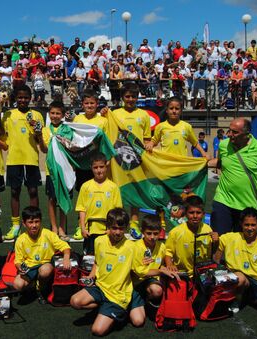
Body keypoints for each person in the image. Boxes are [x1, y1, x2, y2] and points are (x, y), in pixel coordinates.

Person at [69, 208, 135, 336]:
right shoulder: (99, 241)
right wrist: (91, 276)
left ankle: (119, 312)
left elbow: (141, 269)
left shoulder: (132, 247)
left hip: (117, 296)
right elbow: (97, 263)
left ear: (126, 228)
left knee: (97, 331)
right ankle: (103, 309)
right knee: (74, 301)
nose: (117, 232)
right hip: (100, 287)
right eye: (114, 228)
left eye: (121, 229)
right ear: (108, 227)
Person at [213, 208, 257, 317]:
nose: (250, 228)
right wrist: (215, 242)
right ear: (241, 224)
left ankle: (251, 294)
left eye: (253, 225)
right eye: (246, 225)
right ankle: (236, 301)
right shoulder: (230, 237)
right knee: (240, 278)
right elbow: (217, 253)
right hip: (239, 276)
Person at [102, 84, 151, 235]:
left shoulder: (143, 115)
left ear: (138, 97)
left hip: (136, 158)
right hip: (118, 157)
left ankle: (134, 223)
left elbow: (147, 138)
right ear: (122, 98)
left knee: (135, 189)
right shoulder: (115, 113)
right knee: (119, 190)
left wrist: (149, 145)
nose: (130, 99)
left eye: (133, 97)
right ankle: (118, 223)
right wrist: (104, 114)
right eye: (127, 96)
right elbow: (106, 128)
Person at [1, 85, 45, 240]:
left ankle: (34, 223)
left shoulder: (37, 115)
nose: (23, 100)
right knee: (14, 192)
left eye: (26, 97)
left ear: (30, 98)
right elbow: (1, 133)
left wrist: (37, 130)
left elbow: (40, 139)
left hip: (31, 159)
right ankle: (15, 225)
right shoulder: (8, 114)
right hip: (14, 159)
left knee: (33, 191)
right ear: (15, 98)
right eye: (20, 97)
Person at [129, 214, 180, 327]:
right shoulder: (135, 247)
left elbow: (162, 263)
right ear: (142, 231)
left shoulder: (161, 246)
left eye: (156, 233)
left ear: (160, 232)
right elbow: (140, 272)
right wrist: (161, 271)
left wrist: (169, 266)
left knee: (157, 290)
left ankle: (148, 300)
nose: (152, 237)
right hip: (135, 285)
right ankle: (138, 302)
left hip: (151, 283)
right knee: (138, 322)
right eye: (149, 233)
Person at [13, 206, 71, 300]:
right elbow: (18, 261)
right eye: (30, 222)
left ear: (40, 221)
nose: (34, 225)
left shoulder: (48, 234)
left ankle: (41, 288)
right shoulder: (20, 240)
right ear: (24, 224)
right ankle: (33, 284)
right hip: (29, 268)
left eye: (37, 221)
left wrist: (66, 258)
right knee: (17, 285)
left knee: (45, 271)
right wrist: (20, 268)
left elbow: (65, 247)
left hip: (45, 265)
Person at [74, 153, 122, 254]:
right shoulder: (86, 186)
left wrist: (111, 229)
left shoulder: (113, 187)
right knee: (90, 261)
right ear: (91, 168)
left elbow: (117, 212)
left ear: (106, 166)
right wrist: (83, 227)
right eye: (95, 167)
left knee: (106, 258)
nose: (99, 170)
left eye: (101, 167)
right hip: (90, 231)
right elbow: (82, 209)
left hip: (107, 231)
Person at [165, 196, 218, 278]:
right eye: (191, 212)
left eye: (198, 212)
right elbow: (168, 252)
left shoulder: (208, 229)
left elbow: (212, 251)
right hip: (182, 272)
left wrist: (216, 242)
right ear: (185, 214)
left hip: (202, 271)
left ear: (203, 214)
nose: (195, 216)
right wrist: (170, 264)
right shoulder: (176, 232)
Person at [40, 101, 69, 240]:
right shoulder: (46, 130)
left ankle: (62, 227)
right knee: (52, 199)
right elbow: (44, 149)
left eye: (58, 113)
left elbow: (71, 147)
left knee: (63, 198)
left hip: (65, 170)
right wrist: (39, 137)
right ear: (49, 114)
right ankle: (54, 227)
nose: (55, 116)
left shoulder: (67, 129)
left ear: (63, 115)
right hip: (51, 170)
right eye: (52, 113)